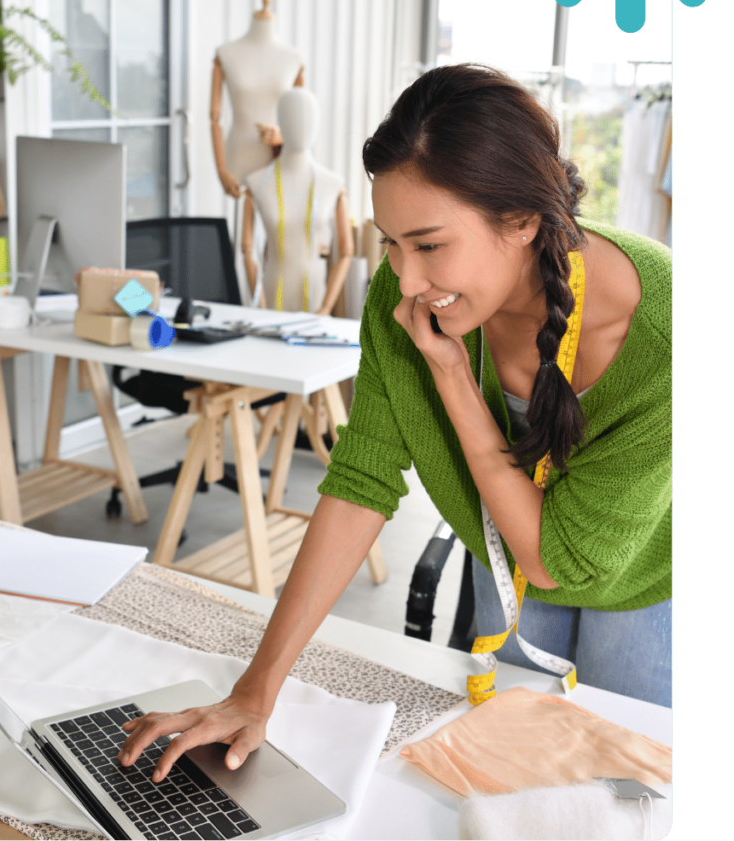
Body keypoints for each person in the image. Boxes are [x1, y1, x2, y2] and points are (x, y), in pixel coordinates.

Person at [117, 64, 672, 783]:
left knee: (630, 788)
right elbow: (359, 481)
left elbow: (553, 562)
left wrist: (453, 380)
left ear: (524, 220)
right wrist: (256, 692)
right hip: (505, 551)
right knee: (515, 771)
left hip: (644, 578)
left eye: (431, 245)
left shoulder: (659, 338)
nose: (405, 282)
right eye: (390, 243)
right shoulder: (414, 295)